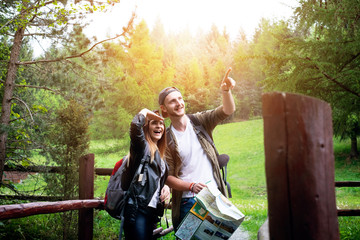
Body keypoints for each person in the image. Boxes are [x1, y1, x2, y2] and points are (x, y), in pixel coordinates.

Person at [158, 68, 236, 230]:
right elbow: (168, 177)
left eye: (180, 98)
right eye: (172, 101)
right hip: (188, 201)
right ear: (164, 108)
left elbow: (227, 110)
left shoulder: (200, 121)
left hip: (215, 196)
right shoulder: (166, 139)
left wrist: (226, 91)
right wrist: (191, 186)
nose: (179, 103)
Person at [122, 108, 170, 240]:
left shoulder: (161, 157)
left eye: (161, 124)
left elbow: (155, 180)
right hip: (138, 211)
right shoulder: (142, 148)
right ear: (146, 127)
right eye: (154, 122)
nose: (159, 126)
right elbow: (135, 127)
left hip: (151, 212)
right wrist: (144, 112)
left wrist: (165, 187)